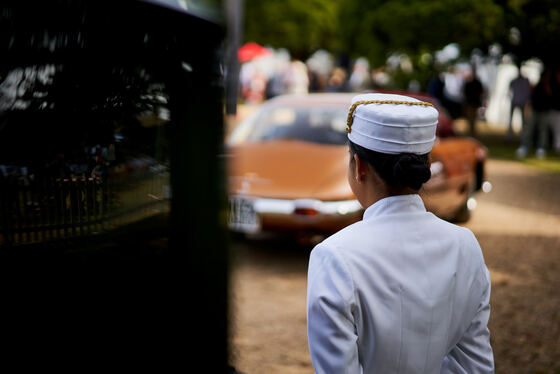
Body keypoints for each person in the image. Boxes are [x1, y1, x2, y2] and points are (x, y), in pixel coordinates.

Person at [307, 93, 494, 373]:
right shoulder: (464, 244)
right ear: (426, 166)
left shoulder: (335, 255)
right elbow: (474, 365)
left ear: (359, 167)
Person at [516, 68, 553, 159]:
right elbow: (531, 97)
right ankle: (524, 146)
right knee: (529, 128)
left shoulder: (549, 86)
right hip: (535, 110)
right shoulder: (538, 86)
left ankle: (541, 148)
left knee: (543, 130)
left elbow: (550, 96)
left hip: (544, 111)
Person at [507, 63, 531, 142]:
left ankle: (522, 135)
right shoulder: (514, 81)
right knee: (512, 120)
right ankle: (510, 135)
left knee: (523, 120)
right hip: (515, 101)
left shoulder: (525, 81)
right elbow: (509, 91)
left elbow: (528, 92)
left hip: (521, 102)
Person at [463, 66, 484, 137]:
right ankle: (471, 132)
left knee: (472, 119)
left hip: (473, 103)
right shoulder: (473, 83)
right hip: (472, 103)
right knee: (471, 119)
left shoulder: (471, 83)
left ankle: (472, 132)